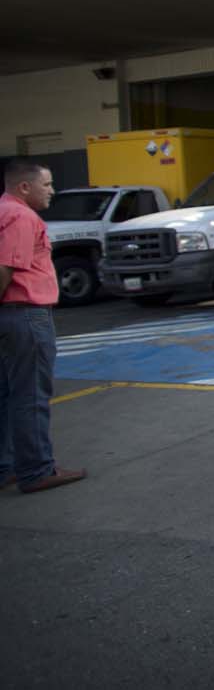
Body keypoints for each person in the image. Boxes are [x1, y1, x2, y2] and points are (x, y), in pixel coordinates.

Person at [0, 159, 86, 494]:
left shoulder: (3, 209)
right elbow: (7, 268)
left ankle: (7, 466)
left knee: (6, 393)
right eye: (46, 185)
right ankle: (36, 469)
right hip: (25, 313)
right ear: (25, 187)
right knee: (30, 393)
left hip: (9, 316)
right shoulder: (21, 216)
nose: (51, 191)